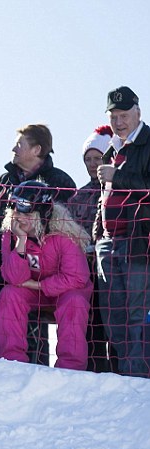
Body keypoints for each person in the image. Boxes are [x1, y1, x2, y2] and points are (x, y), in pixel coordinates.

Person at [0, 181, 92, 370]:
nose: (20, 217)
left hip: (65, 291)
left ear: (42, 214)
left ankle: (70, 366)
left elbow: (77, 277)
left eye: (27, 213)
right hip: (32, 291)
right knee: (9, 295)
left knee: (74, 302)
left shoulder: (63, 233)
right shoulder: (12, 233)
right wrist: (21, 242)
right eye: (17, 210)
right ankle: (11, 361)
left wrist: (37, 285)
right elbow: (13, 278)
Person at [94, 86, 150, 377]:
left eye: (124, 114)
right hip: (109, 242)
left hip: (139, 240)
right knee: (114, 315)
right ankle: (127, 375)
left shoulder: (149, 143)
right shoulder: (114, 147)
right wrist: (97, 235)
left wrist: (119, 176)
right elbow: (103, 197)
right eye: (113, 116)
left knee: (136, 314)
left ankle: (137, 379)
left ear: (138, 112)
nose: (118, 121)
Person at [67, 125, 114, 372]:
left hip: (112, 266)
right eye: (88, 159)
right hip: (84, 270)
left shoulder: (117, 190)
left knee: (114, 321)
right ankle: (93, 369)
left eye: (97, 158)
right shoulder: (78, 196)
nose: (92, 163)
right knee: (91, 322)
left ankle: (118, 370)